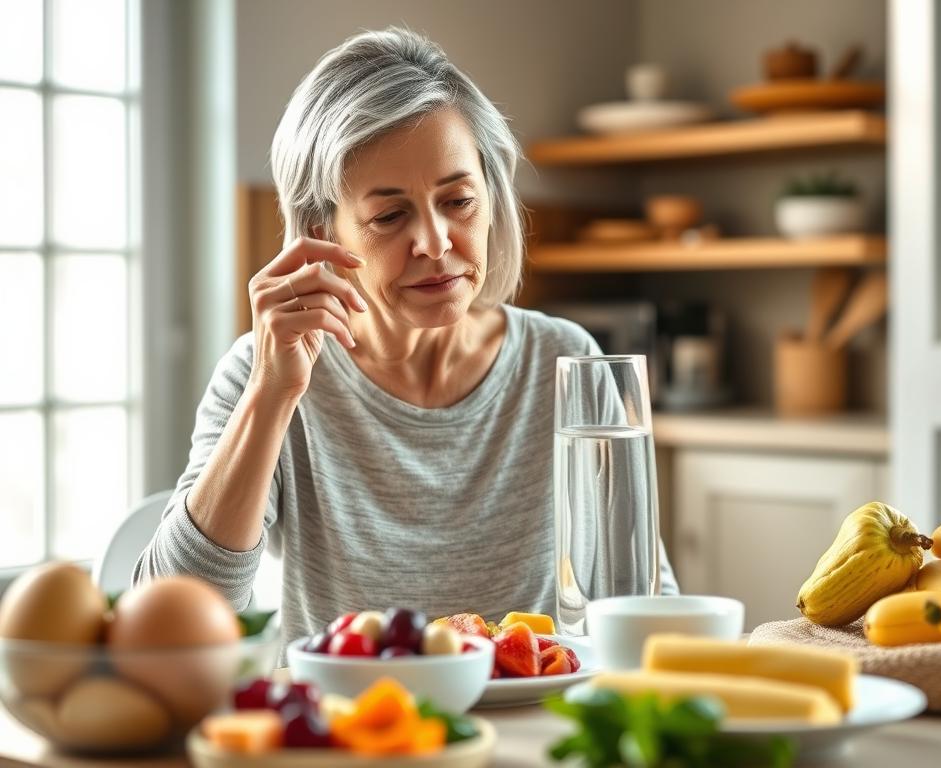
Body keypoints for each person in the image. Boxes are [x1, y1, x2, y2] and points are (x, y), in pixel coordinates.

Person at [135, 26, 678, 649]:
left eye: (459, 201)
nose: (436, 242)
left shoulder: (567, 361)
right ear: (323, 230)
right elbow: (171, 622)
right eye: (390, 216)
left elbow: (644, 604)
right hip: (357, 736)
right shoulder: (261, 375)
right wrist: (271, 396)